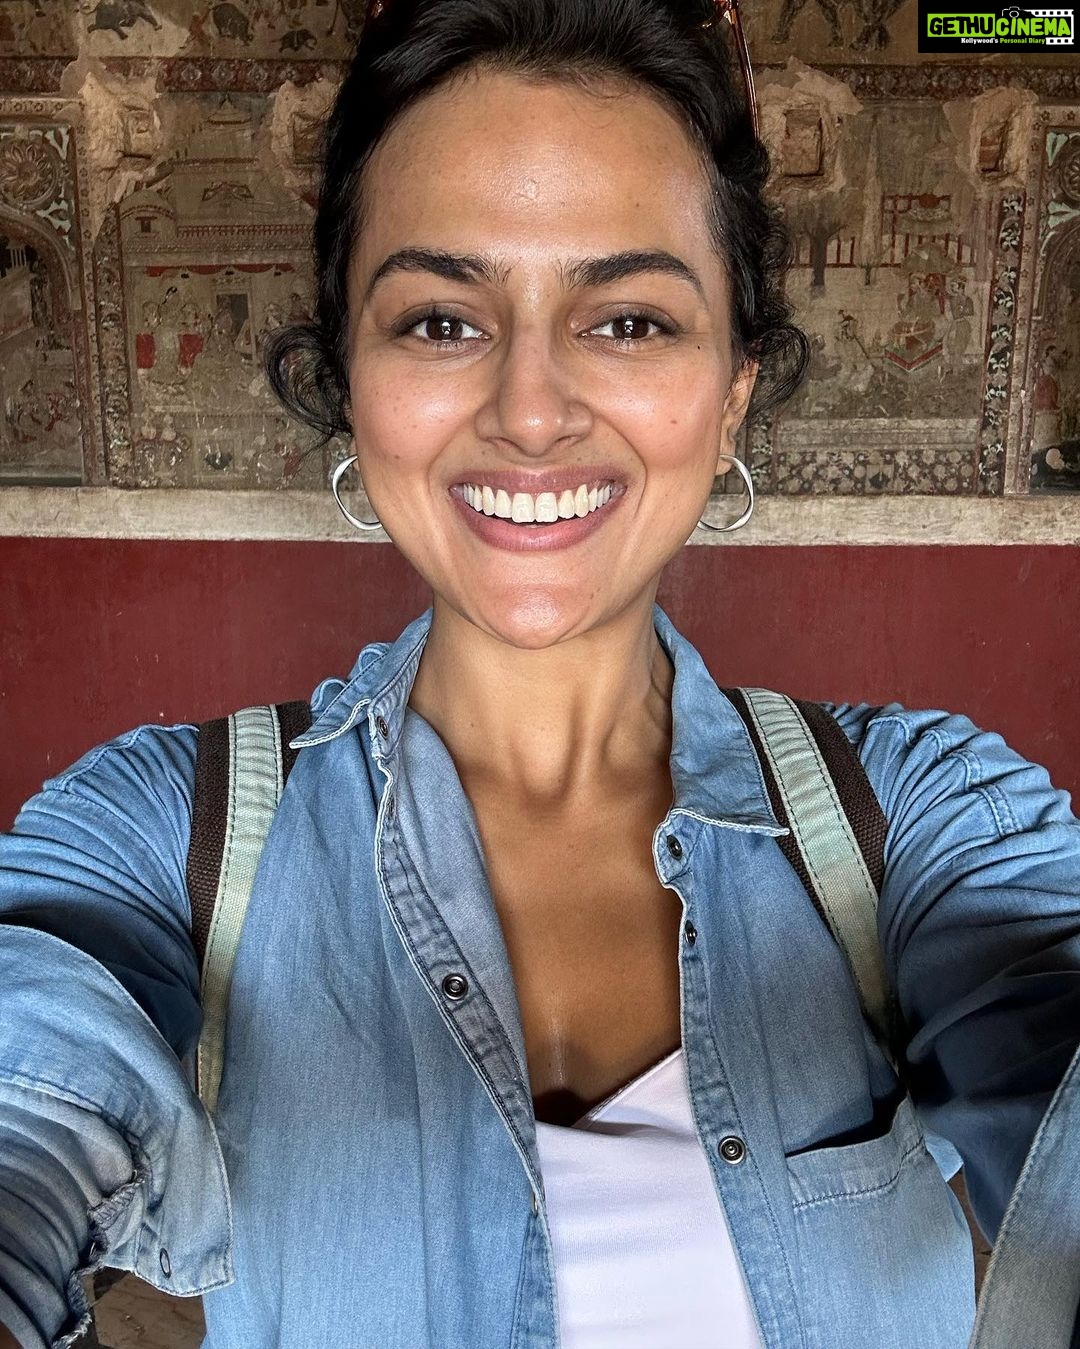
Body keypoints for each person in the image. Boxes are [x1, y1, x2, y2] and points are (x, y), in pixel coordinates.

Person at [3, 1, 1080, 1346]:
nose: (528, 410)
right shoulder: (163, 829)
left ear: (734, 389)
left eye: (627, 321)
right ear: (348, 377)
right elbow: (29, 1097)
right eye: (440, 321)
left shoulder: (920, 815)